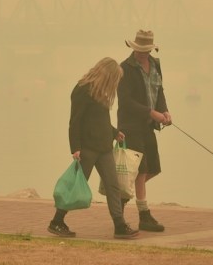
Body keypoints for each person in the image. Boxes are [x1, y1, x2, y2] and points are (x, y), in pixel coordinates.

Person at [48, 57, 141, 239]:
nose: (115, 84)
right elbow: (75, 122)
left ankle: (119, 225)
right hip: (88, 148)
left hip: (105, 147)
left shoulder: (101, 92)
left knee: (113, 186)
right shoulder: (82, 90)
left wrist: (115, 133)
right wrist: (75, 148)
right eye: (115, 79)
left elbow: (100, 120)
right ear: (107, 75)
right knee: (75, 187)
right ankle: (57, 221)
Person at [118, 29, 172, 232]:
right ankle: (144, 215)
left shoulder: (156, 64)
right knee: (140, 171)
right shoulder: (125, 68)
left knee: (152, 168)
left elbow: (159, 91)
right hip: (130, 126)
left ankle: (120, 199)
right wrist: (151, 113)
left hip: (149, 125)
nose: (141, 54)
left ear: (150, 49)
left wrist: (164, 111)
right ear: (133, 48)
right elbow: (126, 102)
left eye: (145, 50)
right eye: (138, 50)